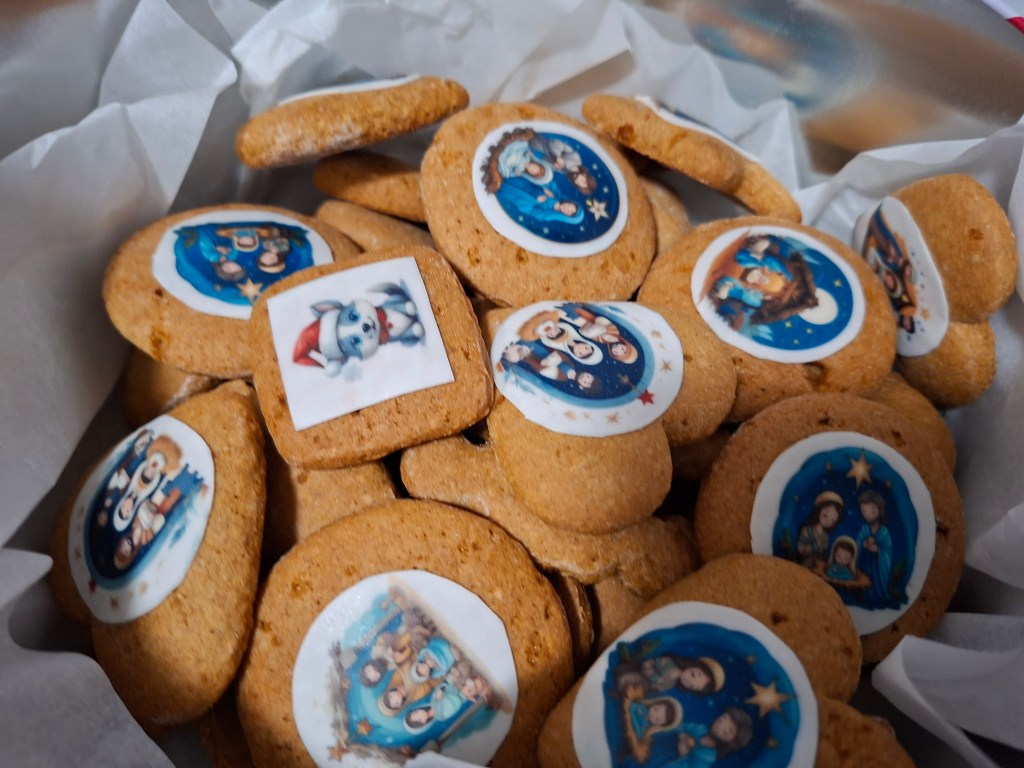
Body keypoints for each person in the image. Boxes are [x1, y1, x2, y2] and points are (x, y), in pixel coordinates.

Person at [855, 489, 896, 606]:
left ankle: (878, 596)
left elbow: (888, 551)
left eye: (872, 510)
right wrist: (863, 545)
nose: (867, 514)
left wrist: (878, 550)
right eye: (863, 511)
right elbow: (857, 542)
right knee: (864, 583)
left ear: (879, 510)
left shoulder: (884, 532)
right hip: (865, 564)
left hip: (878, 568)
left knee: (875, 585)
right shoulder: (864, 529)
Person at [795, 491, 844, 569]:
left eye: (832, 520)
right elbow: (800, 548)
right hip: (805, 563)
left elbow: (824, 549)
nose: (828, 521)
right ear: (818, 511)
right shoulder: (807, 530)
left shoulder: (825, 535)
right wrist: (815, 546)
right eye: (825, 515)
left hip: (818, 564)